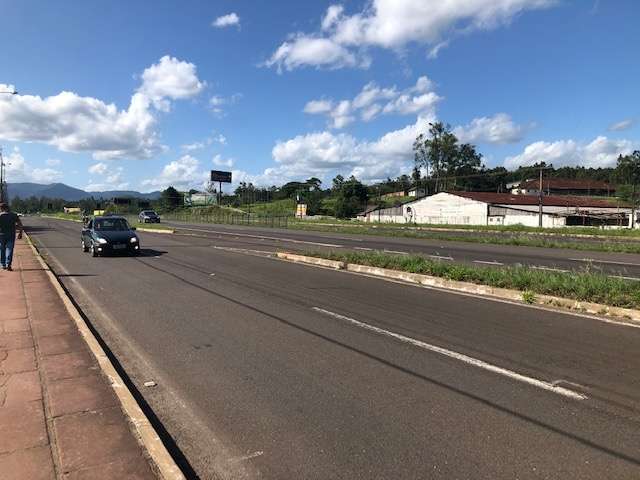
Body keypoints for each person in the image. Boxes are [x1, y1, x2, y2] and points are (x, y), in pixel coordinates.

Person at [0, 203, 23, 271]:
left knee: (2, 249)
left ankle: (3, 264)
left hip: (1, 235)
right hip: (11, 234)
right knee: (10, 249)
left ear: (1, 208)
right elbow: (19, 224)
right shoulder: (13, 215)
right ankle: (8, 264)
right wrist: (20, 232)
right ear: (7, 208)